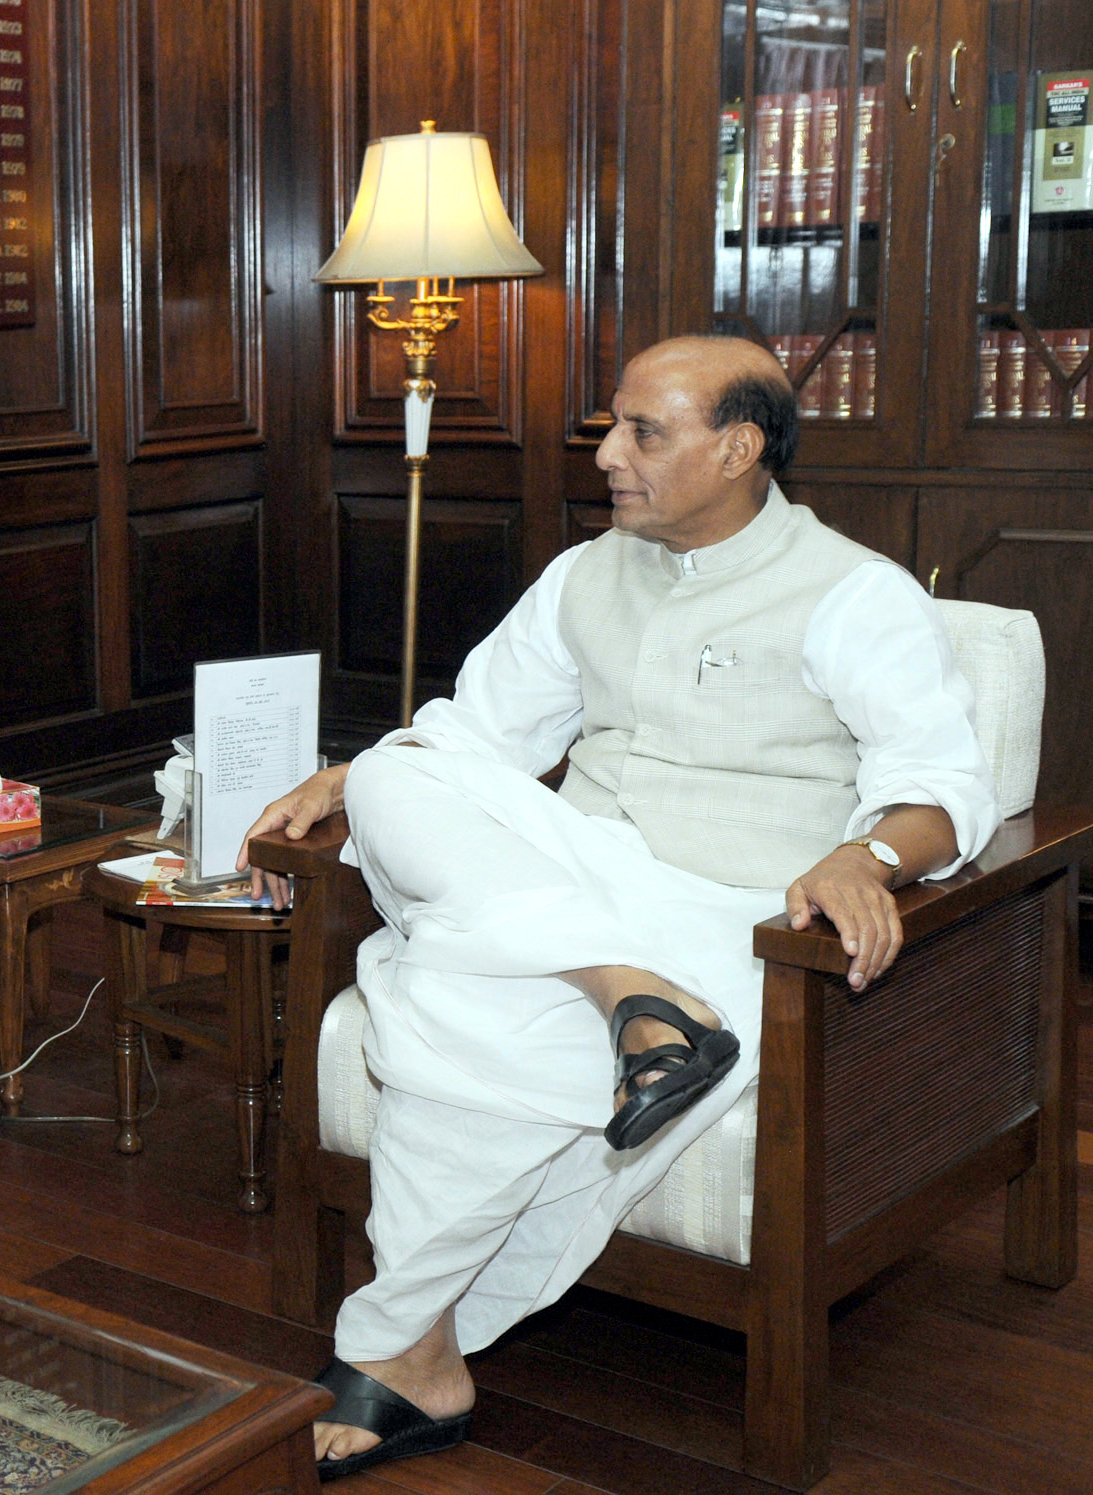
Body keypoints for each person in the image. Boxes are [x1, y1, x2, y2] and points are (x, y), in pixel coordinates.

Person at [240, 336, 996, 1477]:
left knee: (452, 1000)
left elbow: (944, 788)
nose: (606, 454)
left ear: (738, 448)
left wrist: (869, 854)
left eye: (644, 432)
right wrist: (353, 779)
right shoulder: (585, 572)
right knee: (398, 764)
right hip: (579, 881)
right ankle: (625, 995)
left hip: (733, 911)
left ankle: (412, 1350)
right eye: (613, 425)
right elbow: (474, 737)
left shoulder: (853, 593)